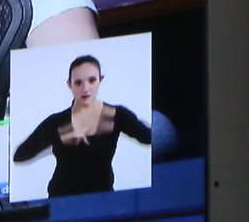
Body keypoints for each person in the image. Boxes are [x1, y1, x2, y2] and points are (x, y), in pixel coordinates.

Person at [13, 54, 151, 195]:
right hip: (61, 200)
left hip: (102, 199)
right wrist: (53, 144)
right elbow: (20, 155)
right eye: (78, 83)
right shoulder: (58, 122)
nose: (85, 88)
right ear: (69, 85)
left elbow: (148, 137)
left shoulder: (116, 115)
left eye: (92, 80)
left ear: (100, 80)